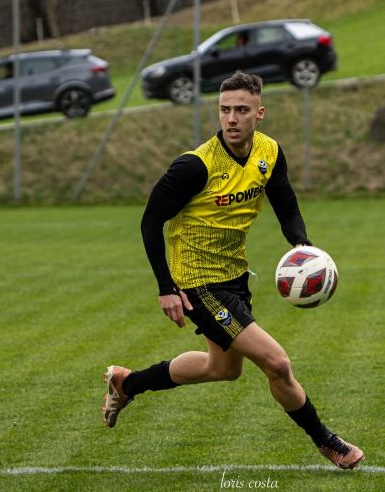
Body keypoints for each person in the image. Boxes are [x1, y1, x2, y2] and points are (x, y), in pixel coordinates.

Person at [102, 70, 364, 470]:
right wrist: (166, 287)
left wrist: (302, 245)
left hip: (234, 276)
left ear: (259, 113)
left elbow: (285, 201)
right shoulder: (194, 167)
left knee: (222, 368)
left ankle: (127, 382)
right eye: (225, 110)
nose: (231, 118)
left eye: (241, 110)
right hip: (198, 283)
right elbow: (150, 222)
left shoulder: (268, 152)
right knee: (277, 364)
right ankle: (328, 442)